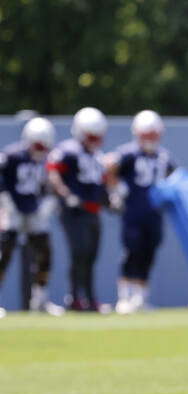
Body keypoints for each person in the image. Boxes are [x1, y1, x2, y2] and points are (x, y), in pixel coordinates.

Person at [105, 110, 176, 313]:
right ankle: (124, 297)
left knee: (149, 253)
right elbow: (109, 164)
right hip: (133, 212)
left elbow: (174, 176)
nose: (151, 139)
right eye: (147, 134)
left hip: (154, 214)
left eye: (153, 134)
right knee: (132, 252)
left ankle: (141, 298)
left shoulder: (163, 156)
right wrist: (116, 190)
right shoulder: (129, 153)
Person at [0, 117, 63, 315]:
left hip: (34, 210)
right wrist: (4, 204)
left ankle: (40, 299)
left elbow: (49, 184)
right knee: (4, 255)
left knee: (45, 253)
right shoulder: (11, 156)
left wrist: (47, 203)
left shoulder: (48, 159)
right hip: (12, 210)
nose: (40, 149)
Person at [47, 107, 107, 311]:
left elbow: (101, 183)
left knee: (91, 256)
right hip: (74, 212)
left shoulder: (97, 155)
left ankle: (90, 299)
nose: (96, 139)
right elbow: (53, 175)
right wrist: (66, 195)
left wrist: (110, 200)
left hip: (93, 211)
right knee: (79, 253)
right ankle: (75, 298)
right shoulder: (68, 150)